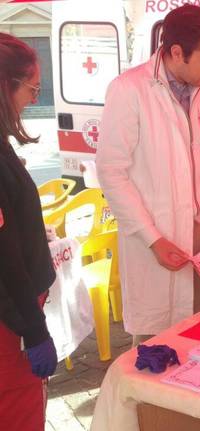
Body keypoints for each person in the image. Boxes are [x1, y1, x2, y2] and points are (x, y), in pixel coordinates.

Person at [96, 5, 200, 344]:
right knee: (158, 343)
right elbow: (111, 172)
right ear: (177, 52)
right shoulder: (129, 89)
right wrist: (152, 238)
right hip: (157, 236)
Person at [0, 32, 58, 430]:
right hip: (11, 325)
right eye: (32, 87)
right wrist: (35, 332)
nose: (34, 98)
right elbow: (4, 258)